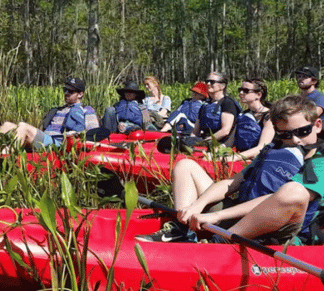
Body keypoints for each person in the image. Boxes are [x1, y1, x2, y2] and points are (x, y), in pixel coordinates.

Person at [136, 95, 321, 244]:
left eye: (302, 132)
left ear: (317, 125)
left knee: (294, 191)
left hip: (277, 229)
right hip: (241, 215)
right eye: (286, 134)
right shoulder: (274, 149)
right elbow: (232, 183)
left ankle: (221, 241)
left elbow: (280, 198)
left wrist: (218, 215)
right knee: (185, 166)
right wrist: (197, 206)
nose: (296, 140)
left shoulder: (320, 161)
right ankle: (182, 228)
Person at [0, 77, 90, 150]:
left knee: (23, 127)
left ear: (80, 94)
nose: (66, 93)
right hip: (46, 139)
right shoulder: (58, 110)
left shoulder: (82, 110)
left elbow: (86, 131)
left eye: (70, 91)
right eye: (65, 90)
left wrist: (71, 136)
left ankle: (5, 159)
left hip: (57, 144)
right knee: (7, 125)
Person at [192, 72, 240, 147]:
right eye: (207, 81)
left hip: (219, 144)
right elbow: (195, 131)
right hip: (204, 141)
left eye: (212, 82)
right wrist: (190, 140)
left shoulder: (227, 103)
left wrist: (204, 142)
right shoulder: (205, 105)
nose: (208, 84)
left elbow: (225, 131)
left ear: (222, 86)